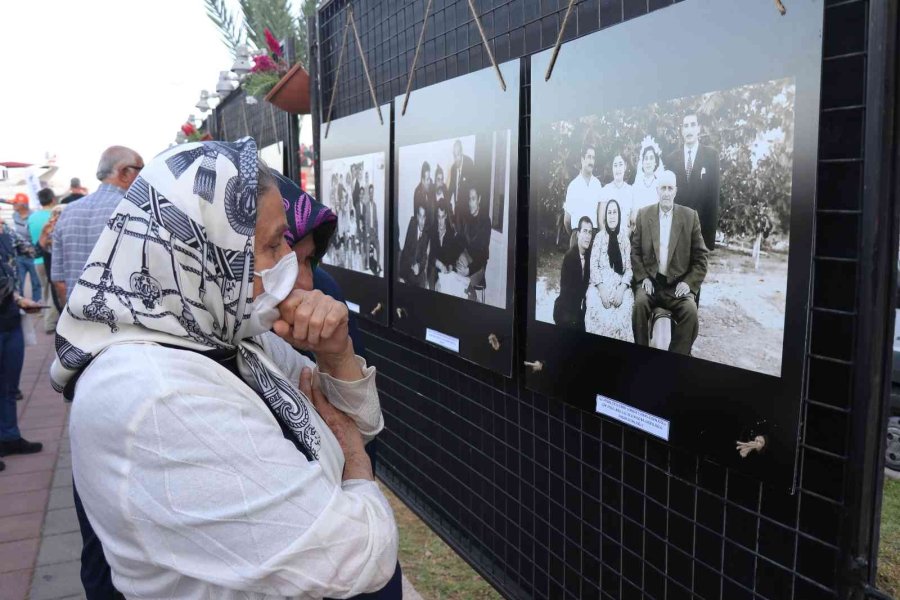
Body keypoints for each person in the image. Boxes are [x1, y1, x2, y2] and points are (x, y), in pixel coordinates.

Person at [53, 139, 398, 599]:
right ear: (202, 251)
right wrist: (355, 462)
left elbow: (361, 421)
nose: (290, 268)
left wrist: (336, 353)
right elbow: (356, 559)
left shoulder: (226, 340)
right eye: (274, 245)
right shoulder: (158, 395)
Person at [51, 146, 143, 302]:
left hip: (76, 315)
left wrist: (71, 313)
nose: (143, 178)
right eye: (141, 171)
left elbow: (59, 279)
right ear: (125, 172)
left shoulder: (67, 212)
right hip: (120, 319)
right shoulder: (134, 210)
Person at [631, 170, 708, 354]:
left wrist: (688, 284)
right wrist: (643, 278)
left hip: (676, 287)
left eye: (670, 188)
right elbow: (635, 252)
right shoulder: (644, 215)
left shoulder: (690, 217)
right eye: (663, 188)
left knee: (690, 311)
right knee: (639, 304)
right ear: (657, 190)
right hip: (652, 284)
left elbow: (702, 258)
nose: (666, 192)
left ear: (676, 191)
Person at [0, 215, 44, 471]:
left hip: (10, 320)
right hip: (9, 311)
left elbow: (30, 251)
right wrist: (18, 298)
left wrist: (44, 238)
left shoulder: (6, 233)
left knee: (9, 386)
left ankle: (9, 437)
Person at [665, 111, 720, 250]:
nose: (689, 129)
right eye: (685, 126)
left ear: (699, 128)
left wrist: (708, 242)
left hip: (700, 235)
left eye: (692, 125)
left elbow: (713, 200)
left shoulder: (711, 156)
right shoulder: (671, 159)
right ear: (681, 130)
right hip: (676, 233)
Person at [586, 199, 634, 341]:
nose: (612, 216)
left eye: (615, 212)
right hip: (600, 285)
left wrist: (622, 289)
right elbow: (593, 265)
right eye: (609, 212)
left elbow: (629, 269)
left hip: (620, 285)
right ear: (605, 216)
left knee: (624, 309)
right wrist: (601, 289)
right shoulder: (599, 238)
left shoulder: (625, 239)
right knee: (595, 307)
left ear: (619, 215)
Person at [553, 216, 592, 330]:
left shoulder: (589, 256)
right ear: (578, 234)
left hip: (576, 309)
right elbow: (568, 294)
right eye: (584, 231)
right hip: (565, 310)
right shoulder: (570, 257)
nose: (587, 236)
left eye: (590, 232)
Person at [28, 188, 59, 332]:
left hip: (37, 260)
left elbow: (30, 236)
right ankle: (50, 323)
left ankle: (47, 315)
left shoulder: (32, 217)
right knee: (55, 290)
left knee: (45, 290)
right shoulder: (55, 215)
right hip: (50, 258)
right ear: (53, 199)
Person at [563, 143, 603, 246]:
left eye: (593, 158)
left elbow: (600, 215)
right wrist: (576, 234)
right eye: (589, 157)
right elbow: (567, 220)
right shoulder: (573, 186)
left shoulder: (597, 185)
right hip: (577, 235)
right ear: (582, 159)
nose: (591, 161)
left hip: (593, 236)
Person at [457, 187, 492, 301]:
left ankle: (474, 303)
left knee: (462, 285)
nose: (470, 203)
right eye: (469, 199)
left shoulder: (485, 222)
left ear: (479, 199)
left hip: (479, 267)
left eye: (473, 199)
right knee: (454, 274)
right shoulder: (467, 218)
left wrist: (469, 270)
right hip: (467, 259)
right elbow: (461, 243)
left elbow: (482, 256)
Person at [37, 205, 66, 313]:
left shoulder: (72, 234)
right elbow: (36, 253)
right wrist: (44, 234)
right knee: (60, 310)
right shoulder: (48, 235)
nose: (53, 220)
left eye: (57, 217)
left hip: (70, 281)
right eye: (51, 217)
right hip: (55, 282)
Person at [11, 193, 40, 303]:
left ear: (23, 205)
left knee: (35, 282)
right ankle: (21, 303)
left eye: (15, 202)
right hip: (19, 255)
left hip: (32, 255)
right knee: (19, 282)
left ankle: (37, 303)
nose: (13, 204)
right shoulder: (14, 216)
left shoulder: (33, 216)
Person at [631, 139, 665, 225]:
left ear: (655, 162)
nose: (648, 162)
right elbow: (633, 212)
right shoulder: (636, 185)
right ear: (642, 163)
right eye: (646, 158)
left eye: (651, 158)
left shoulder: (660, 185)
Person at [598, 153, 633, 234]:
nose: (618, 169)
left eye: (620, 165)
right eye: (615, 165)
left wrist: (625, 239)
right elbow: (601, 221)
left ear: (625, 166)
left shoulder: (631, 191)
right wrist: (608, 239)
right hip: (608, 239)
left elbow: (632, 221)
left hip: (626, 239)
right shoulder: (606, 190)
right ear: (612, 168)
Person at [428, 200, 459, 290]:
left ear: (446, 216)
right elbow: (430, 255)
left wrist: (450, 266)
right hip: (435, 268)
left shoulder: (451, 232)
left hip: (446, 271)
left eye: (443, 217)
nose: (440, 221)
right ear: (436, 217)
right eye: (438, 217)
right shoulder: (433, 231)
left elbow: (453, 257)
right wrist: (440, 265)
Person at [399, 203, 429, 288]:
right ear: (417, 216)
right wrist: (413, 265)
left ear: (426, 218)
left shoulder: (426, 233)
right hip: (407, 266)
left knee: (422, 283)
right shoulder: (412, 225)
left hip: (418, 270)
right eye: (420, 216)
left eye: (424, 217)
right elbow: (406, 250)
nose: (422, 221)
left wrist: (419, 266)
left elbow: (424, 256)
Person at [447, 140, 474, 230]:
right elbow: (450, 189)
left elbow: (473, 189)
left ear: (461, 152)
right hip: (458, 212)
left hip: (467, 212)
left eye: (458, 155)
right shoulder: (453, 168)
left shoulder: (469, 164)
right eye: (454, 156)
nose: (456, 159)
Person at [363, 182, 381, 275]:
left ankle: (378, 265)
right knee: (367, 244)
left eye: (372, 193)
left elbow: (376, 220)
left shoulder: (374, 205)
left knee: (378, 246)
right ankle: (367, 265)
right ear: (368, 194)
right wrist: (367, 233)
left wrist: (377, 233)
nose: (371, 194)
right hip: (368, 232)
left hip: (374, 232)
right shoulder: (366, 205)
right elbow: (365, 221)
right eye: (370, 193)